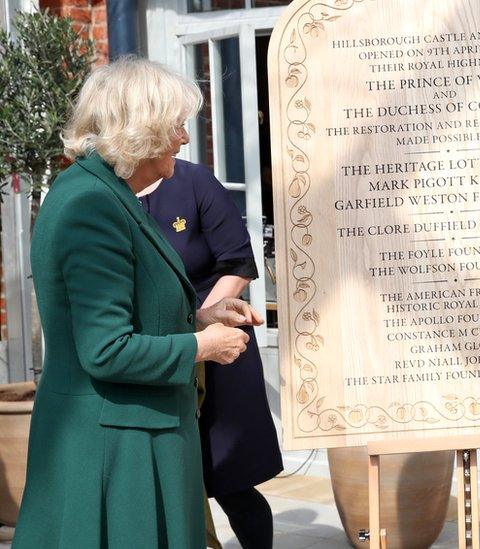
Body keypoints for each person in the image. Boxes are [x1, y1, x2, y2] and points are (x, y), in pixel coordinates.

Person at [13, 57, 260, 549]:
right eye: (177, 126)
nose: (185, 139)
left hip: (129, 436)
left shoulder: (106, 192)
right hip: (116, 449)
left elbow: (127, 305)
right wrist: (201, 345)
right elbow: (105, 349)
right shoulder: (92, 204)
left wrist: (202, 314)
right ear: (142, 129)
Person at [136, 160, 283, 548]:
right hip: (150, 356)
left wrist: (199, 324)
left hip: (219, 349)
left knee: (231, 481)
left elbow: (238, 263)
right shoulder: (108, 194)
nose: (181, 136)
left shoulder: (194, 181)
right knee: (162, 478)